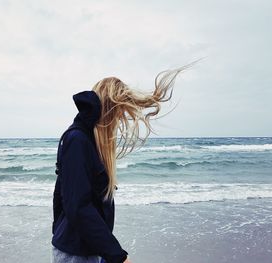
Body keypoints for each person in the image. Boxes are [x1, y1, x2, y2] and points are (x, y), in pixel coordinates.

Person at [51, 60, 200, 263]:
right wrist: (117, 256)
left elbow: (61, 194)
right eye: (119, 113)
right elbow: (77, 206)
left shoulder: (89, 141)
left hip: (90, 249)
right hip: (76, 254)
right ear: (109, 109)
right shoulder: (77, 139)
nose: (120, 120)